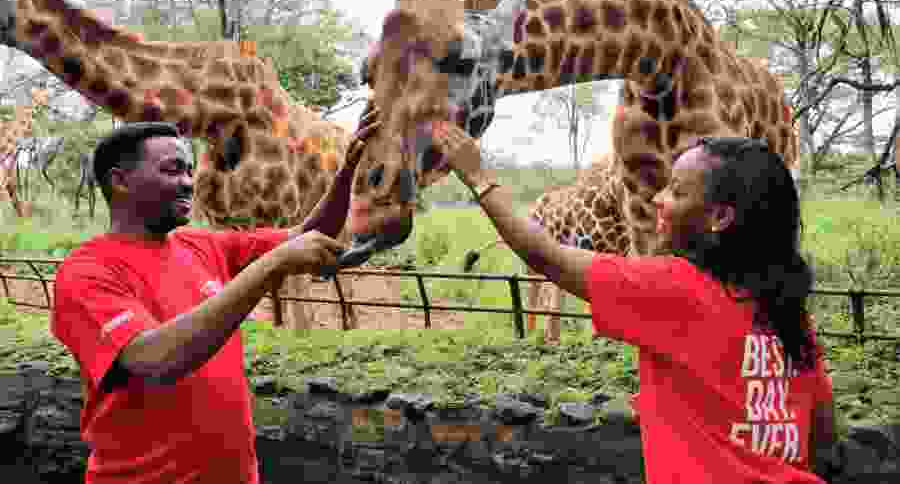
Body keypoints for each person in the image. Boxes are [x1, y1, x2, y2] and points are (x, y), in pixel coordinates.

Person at [432, 122, 836, 484]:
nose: (659, 198)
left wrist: (478, 177)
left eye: (677, 191)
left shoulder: (675, 290)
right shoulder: (786, 309)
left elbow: (545, 255)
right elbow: (821, 432)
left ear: (720, 217)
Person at [51, 111, 378, 484]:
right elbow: (154, 361)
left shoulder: (201, 245)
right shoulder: (88, 271)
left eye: (189, 170)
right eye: (172, 170)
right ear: (120, 181)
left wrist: (347, 172)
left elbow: (309, 236)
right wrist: (270, 266)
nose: (188, 182)